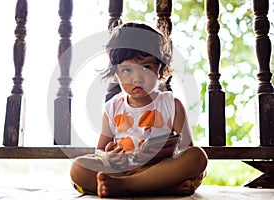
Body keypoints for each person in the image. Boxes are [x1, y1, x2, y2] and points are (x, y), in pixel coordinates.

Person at [70, 22, 208, 197]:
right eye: (127, 70)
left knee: (197, 157)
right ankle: (153, 188)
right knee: (78, 167)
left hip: (160, 171)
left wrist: (168, 153)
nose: (137, 78)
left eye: (146, 67)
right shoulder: (113, 107)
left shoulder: (171, 104)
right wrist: (110, 156)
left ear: (160, 67)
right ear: (116, 73)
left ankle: (128, 186)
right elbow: (101, 149)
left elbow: (187, 148)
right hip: (124, 170)